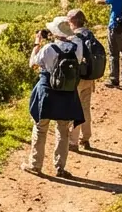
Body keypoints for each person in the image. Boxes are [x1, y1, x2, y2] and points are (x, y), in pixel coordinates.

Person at [22, 15, 85, 178]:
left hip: (48, 92)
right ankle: (60, 167)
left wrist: (37, 42)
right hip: (67, 93)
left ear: (54, 32)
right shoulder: (77, 48)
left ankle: (35, 164)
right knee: (63, 130)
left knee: (40, 127)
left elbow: (32, 63)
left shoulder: (48, 48)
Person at [67, 8, 104, 151]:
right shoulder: (90, 34)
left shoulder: (74, 38)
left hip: (78, 78)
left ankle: (73, 141)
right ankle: (86, 138)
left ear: (72, 22)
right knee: (85, 108)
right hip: (90, 77)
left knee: (75, 109)